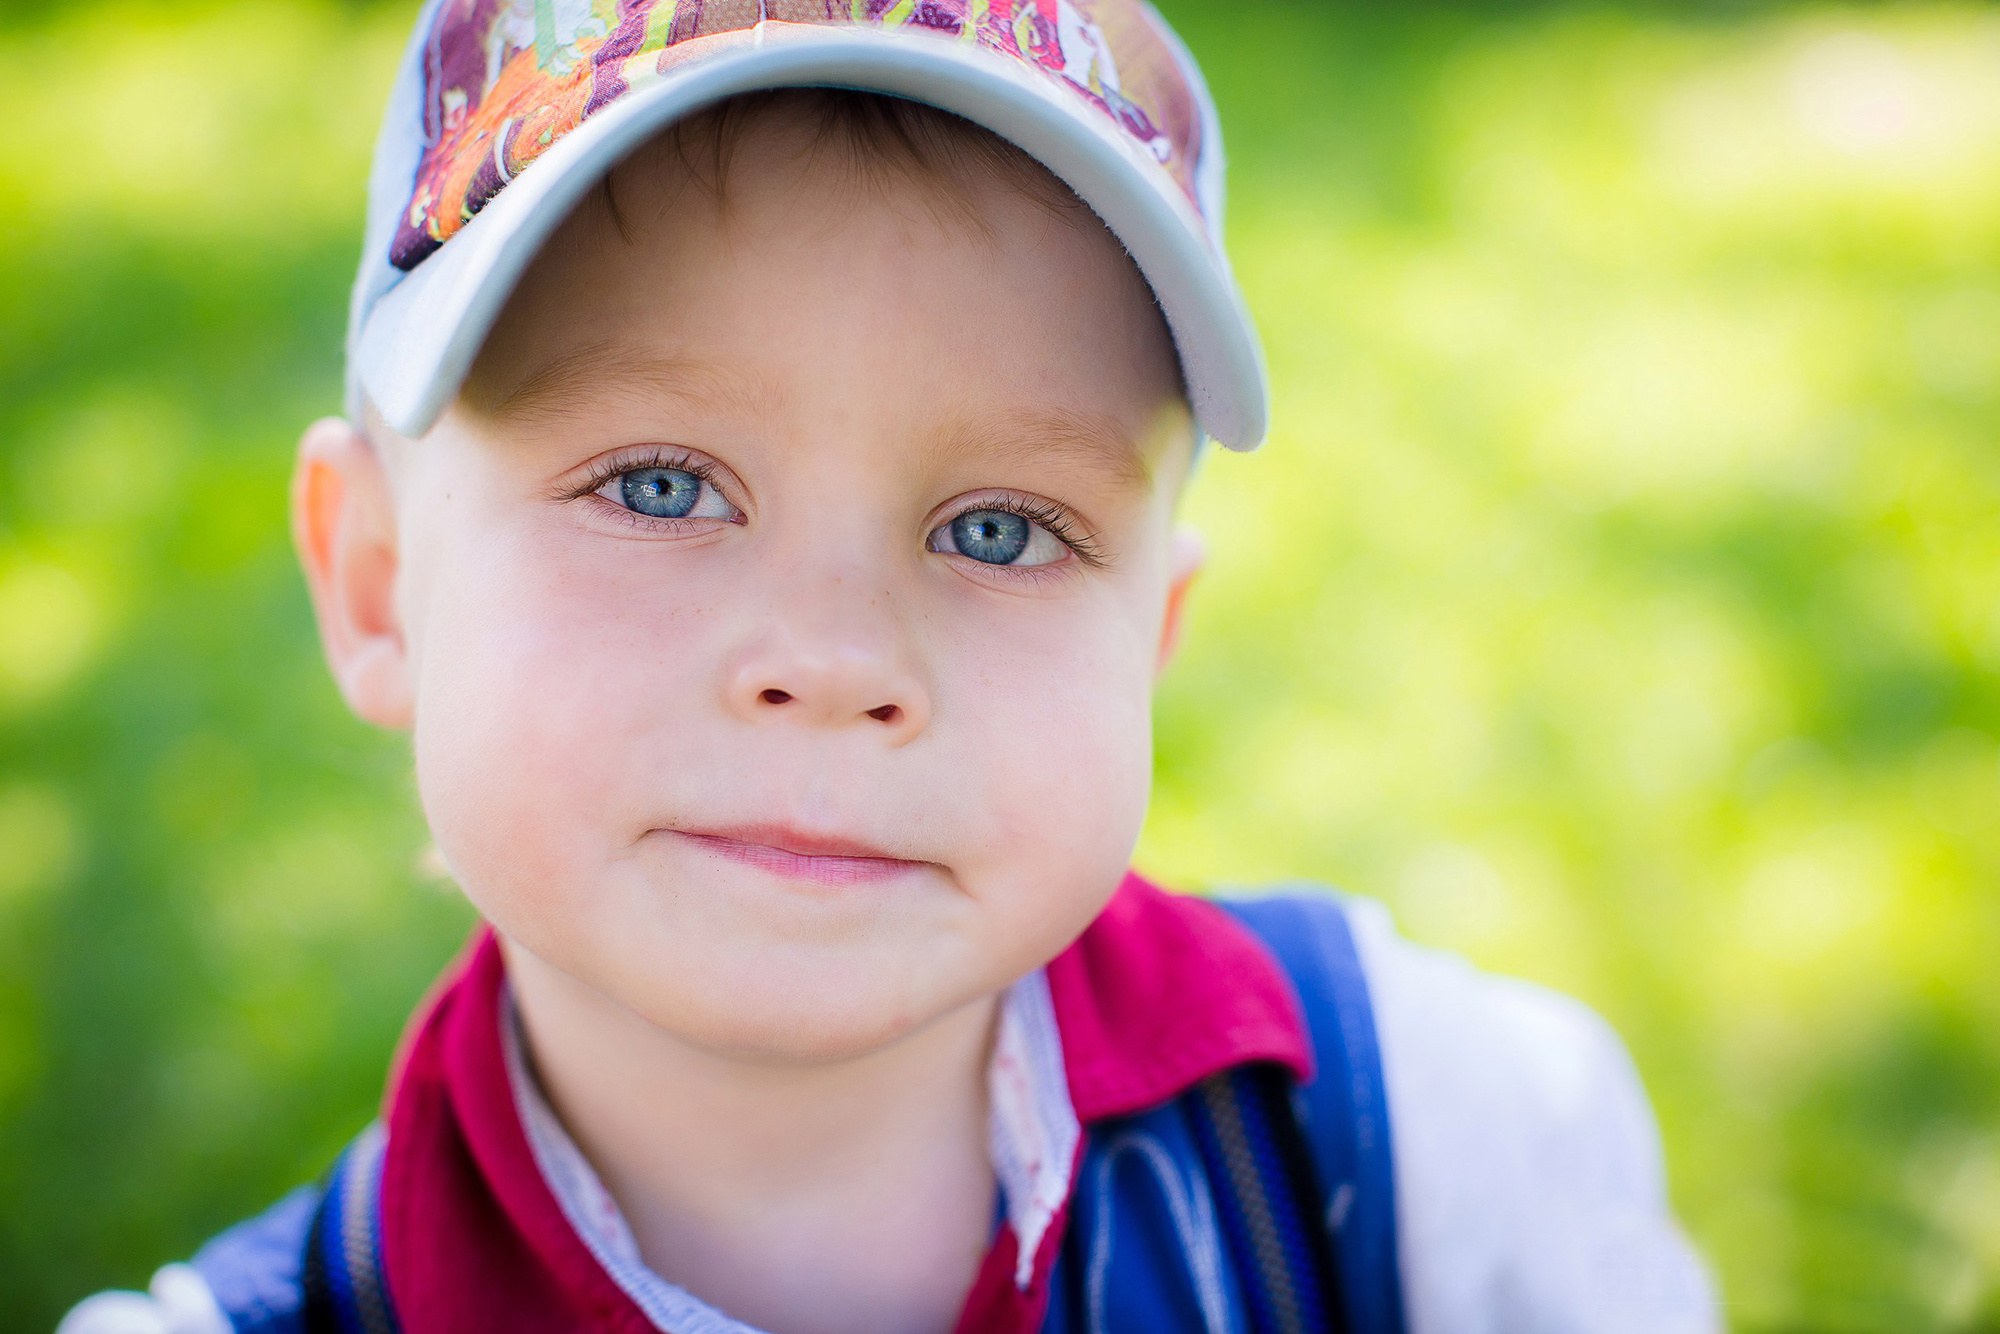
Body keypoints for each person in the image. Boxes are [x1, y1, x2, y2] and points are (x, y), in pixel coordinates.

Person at [59, 3, 1718, 1332]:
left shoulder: (1420, 1157)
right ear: (377, 581)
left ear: (1149, 642)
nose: (838, 660)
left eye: (998, 529)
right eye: (660, 485)